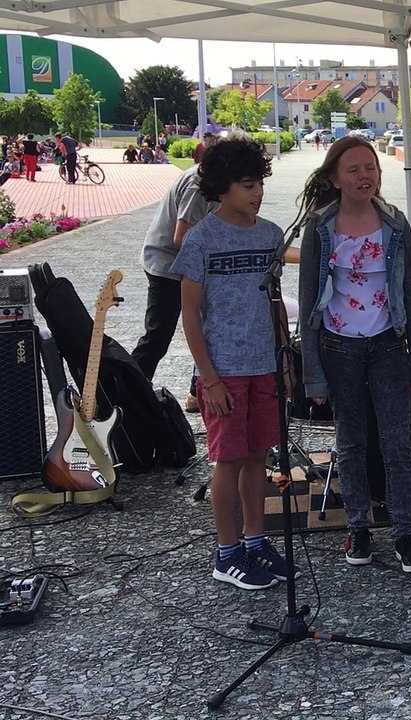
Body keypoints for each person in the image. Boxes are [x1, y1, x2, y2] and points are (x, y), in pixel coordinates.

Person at [295, 136, 411, 574]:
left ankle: (405, 532)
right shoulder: (319, 227)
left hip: (388, 344)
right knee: (350, 442)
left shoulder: (395, 224)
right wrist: (313, 375)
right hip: (338, 347)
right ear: (334, 178)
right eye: (352, 169)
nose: (363, 176)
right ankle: (359, 527)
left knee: (397, 442)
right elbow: (309, 301)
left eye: (369, 167)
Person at [170, 136, 295, 591]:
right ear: (222, 187)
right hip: (223, 370)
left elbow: (275, 301)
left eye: (259, 182)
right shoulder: (201, 239)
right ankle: (226, 554)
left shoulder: (271, 235)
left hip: (265, 365)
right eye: (247, 184)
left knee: (258, 456)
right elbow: (190, 313)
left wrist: (284, 356)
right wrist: (209, 378)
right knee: (228, 460)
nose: (257, 192)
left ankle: (255, 540)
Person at [132, 132, 232, 381]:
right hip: (167, 263)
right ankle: (126, 393)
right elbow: (182, 236)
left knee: (210, 330)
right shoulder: (199, 185)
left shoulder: (217, 181)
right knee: (157, 338)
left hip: (191, 264)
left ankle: (196, 390)